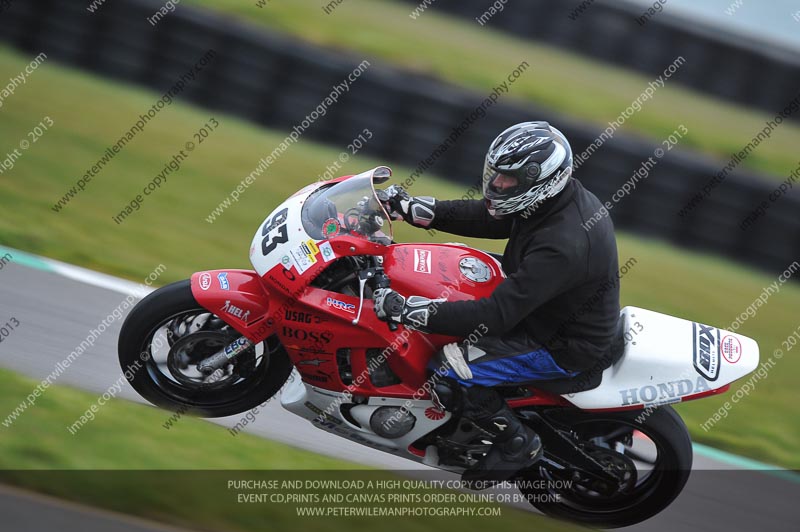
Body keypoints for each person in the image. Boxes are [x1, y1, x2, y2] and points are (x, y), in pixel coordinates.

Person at [372, 121, 620, 482]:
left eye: (509, 179)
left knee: (449, 369)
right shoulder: (553, 200)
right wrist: (420, 210)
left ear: (542, 179)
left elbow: (494, 316)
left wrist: (408, 310)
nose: (497, 184)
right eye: (497, 174)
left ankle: (517, 443)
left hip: (557, 345)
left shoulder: (563, 244)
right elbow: (496, 220)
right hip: (541, 311)